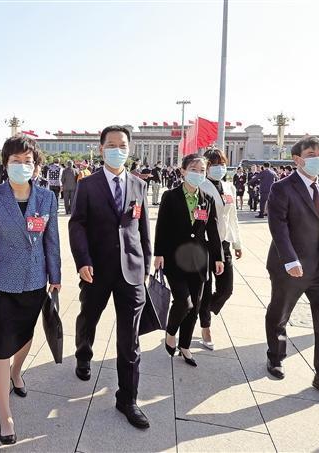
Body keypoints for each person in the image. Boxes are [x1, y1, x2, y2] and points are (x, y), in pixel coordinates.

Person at [0, 134, 60, 444]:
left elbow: (52, 241)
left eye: (27, 161)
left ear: (35, 166)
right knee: (1, 342)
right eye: (15, 161)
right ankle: (5, 415)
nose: (22, 166)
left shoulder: (47, 198)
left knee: (25, 335)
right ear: (5, 164)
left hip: (35, 280)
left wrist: (55, 275)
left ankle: (16, 371)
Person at [69, 125, 152, 429]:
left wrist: (146, 263)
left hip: (131, 270)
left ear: (129, 149)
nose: (118, 150)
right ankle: (83, 353)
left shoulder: (138, 185)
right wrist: (82, 260)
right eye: (112, 145)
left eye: (123, 145)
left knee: (130, 338)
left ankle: (127, 398)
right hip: (96, 269)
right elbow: (77, 224)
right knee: (89, 316)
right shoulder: (88, 185)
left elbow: (142, 228)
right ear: (101, 148)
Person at [264, 136, 319, 404]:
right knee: (280, 313)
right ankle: (276, 356)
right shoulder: (282, 188)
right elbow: (278, 226)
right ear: (297, 159)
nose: (318, 158)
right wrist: (290, 260)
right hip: (290, 266)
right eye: (312, 154)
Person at [155, 154, 223, 367]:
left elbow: (213, 231)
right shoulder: (170, 196)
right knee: (184, 302)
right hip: (174, 258)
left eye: (202, 170)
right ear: (183, 171)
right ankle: (171, 331)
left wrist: (218, 258)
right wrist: (158, 254)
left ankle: (185, 346)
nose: (198, 174)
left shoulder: (207, 199)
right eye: (194, 169)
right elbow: (162, 226)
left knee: (196, 306)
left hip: (199, 260)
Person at [198, 150, 241, 350]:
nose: (219, 168)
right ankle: (205, 327)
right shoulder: (200, 186)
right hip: (205, 245)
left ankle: (201, 310)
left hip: (224, 243)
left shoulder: (229, 187)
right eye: (214, 164)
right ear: (206, 167)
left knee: (226, 289)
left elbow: (233, 217)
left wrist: (237, 243)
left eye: (222, 164)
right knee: (206, 288)